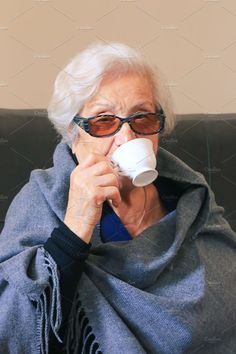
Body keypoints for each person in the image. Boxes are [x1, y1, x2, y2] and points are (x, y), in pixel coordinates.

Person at [0, 42, 235, 354]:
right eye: (103, 121)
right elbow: (12, 325)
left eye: (143, 118)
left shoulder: (190, 195)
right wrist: (74, 229)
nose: (127, 137)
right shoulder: (40, 198)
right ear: (73, 131)